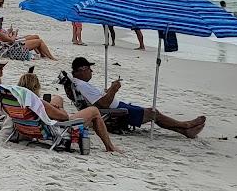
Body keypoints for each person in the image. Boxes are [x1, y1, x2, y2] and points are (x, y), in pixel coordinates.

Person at [0, 60, 118, 152]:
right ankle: (110, 147)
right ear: (36, 88)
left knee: (57, 98)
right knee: (94, 111)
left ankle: (55, 104)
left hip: (26, 125)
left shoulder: (18, 99)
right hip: (51, 127)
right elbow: (64, 116)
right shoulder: (37, 102)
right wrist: (55, 109)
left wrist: (53, 106)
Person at [67, 57, 206, 138]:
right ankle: (185, 125)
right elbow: (103, 104)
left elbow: (99, 100)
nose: (92, 71)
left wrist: (109, 90)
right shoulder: (83, 85)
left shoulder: (79, 84)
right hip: (115, 110)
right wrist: (114, 90)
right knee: (153, 113)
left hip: (116, 105)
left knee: (153, 113)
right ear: (82, 70)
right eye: (89, 69)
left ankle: (185, 131)